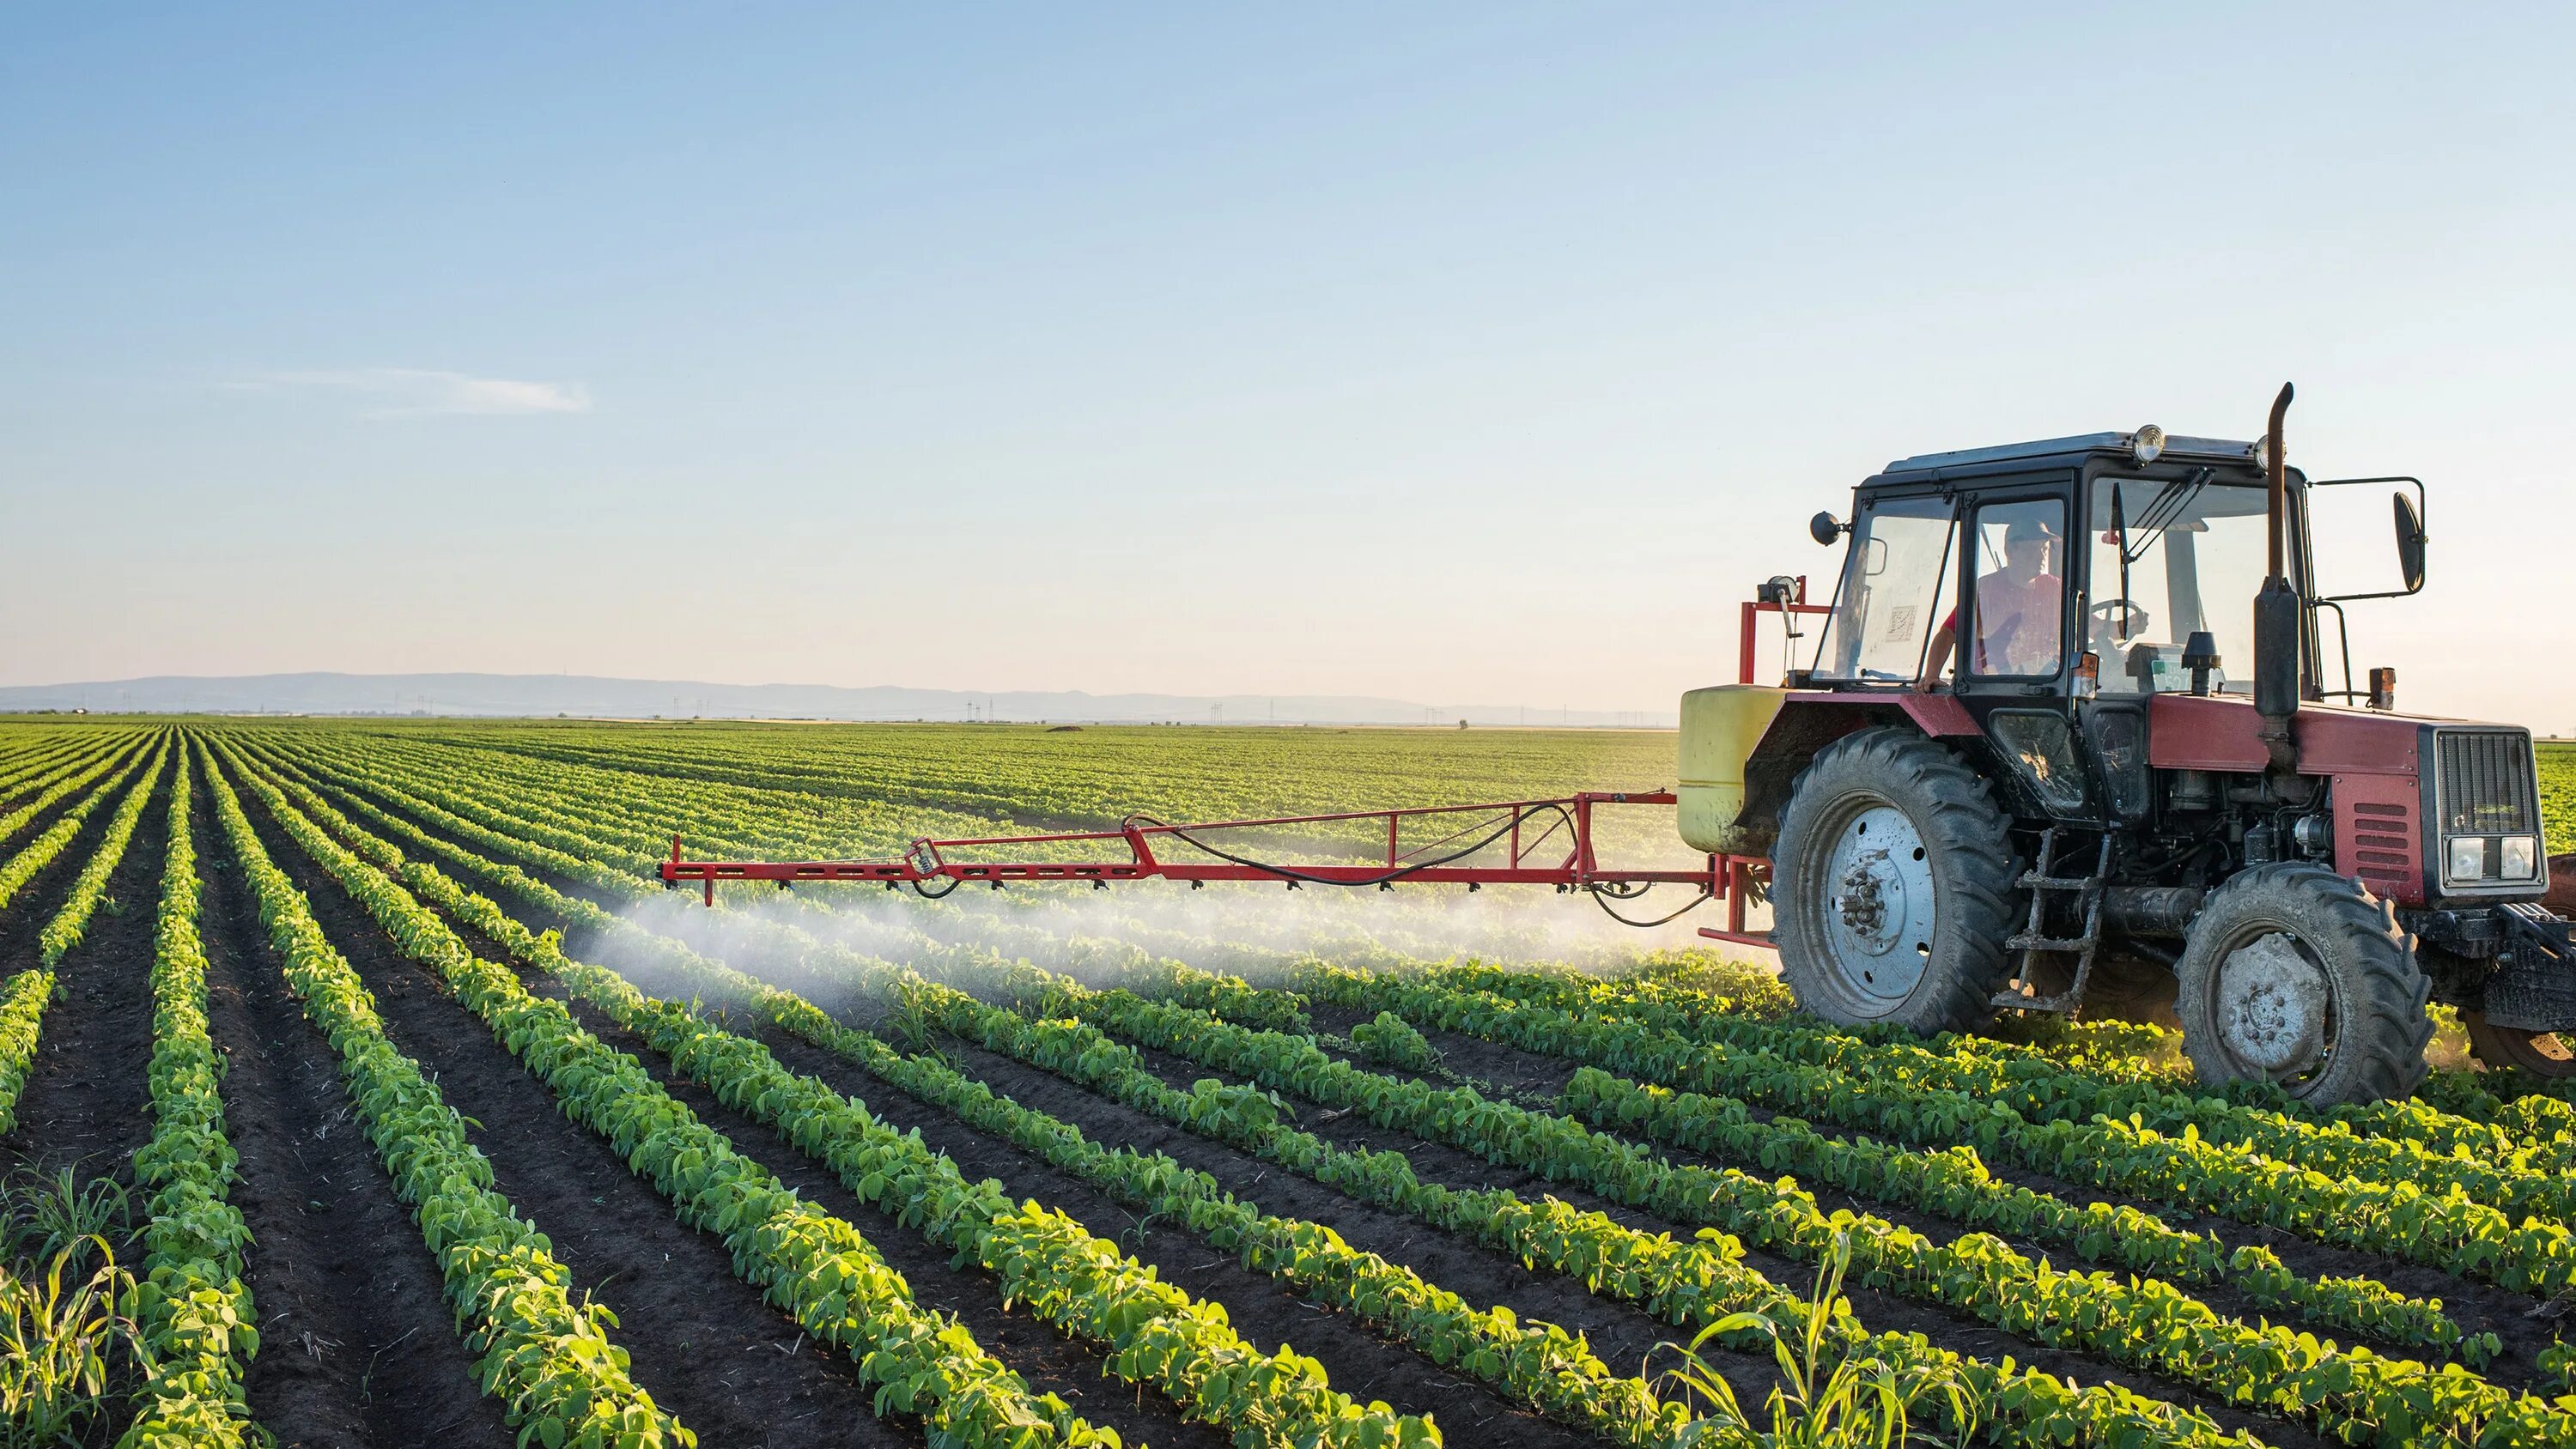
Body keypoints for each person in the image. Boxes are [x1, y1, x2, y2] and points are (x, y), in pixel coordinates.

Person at [1917, 513, 2061, 688]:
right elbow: (1949, 633)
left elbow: (2089, 625)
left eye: (2044, 549)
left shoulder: (2055, 588)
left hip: (2046, 684)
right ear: (2010, 551)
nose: (2041, 556)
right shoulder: (1987, 589)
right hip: (1992, 687)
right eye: (2032, 549)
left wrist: (2102, 632)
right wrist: (1932, 675)